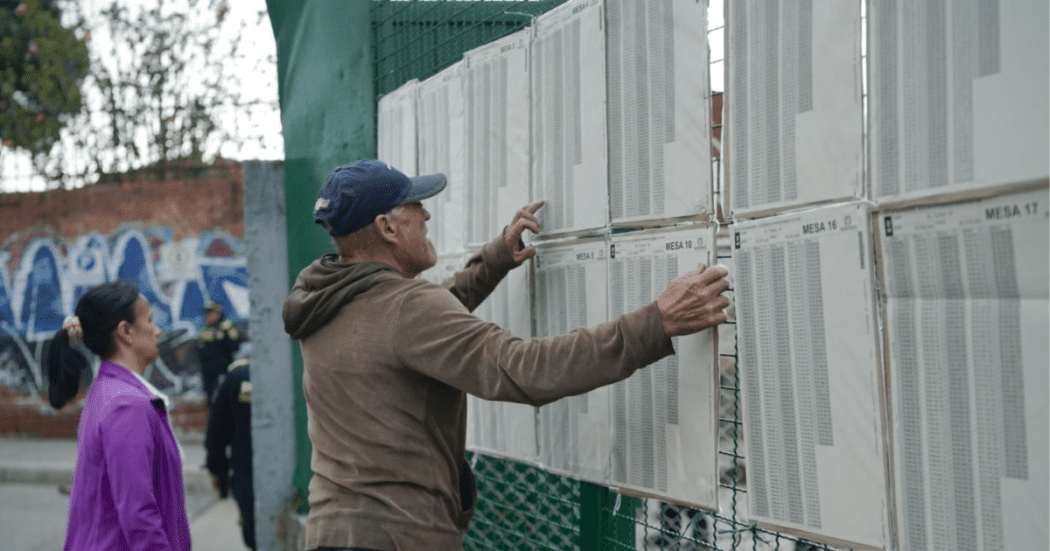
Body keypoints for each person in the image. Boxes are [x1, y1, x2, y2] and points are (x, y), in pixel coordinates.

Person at [282, 160, 730, 551]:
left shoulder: (327, 299)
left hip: (332, 532)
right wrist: (655, 323)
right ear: (387, 228)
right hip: (401, 536)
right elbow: (523, 369)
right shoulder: (406, 308)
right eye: (413, 205)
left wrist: (494, 259)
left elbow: (416, 329)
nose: (426, 213)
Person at [48, 281, 191, 551]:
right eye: (149, 321)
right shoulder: (127, 406)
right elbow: (140, 516)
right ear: (126, 331)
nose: (157, 331)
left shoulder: (109, 391)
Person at [205, 351, 256, 550]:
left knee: (253, 535)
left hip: (246, 475)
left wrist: (218, 471)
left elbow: (216, 432)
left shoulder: (237, 376)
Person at [197, 299, 242, 403]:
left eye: (210, 313)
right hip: (208, 376)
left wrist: (222, 338)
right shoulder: (205, 330)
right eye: (206, 314)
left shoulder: (227, 327)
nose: (207, 316)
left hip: (223, 373)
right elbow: (200, 351)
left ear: (217, 313)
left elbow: (235, 346)